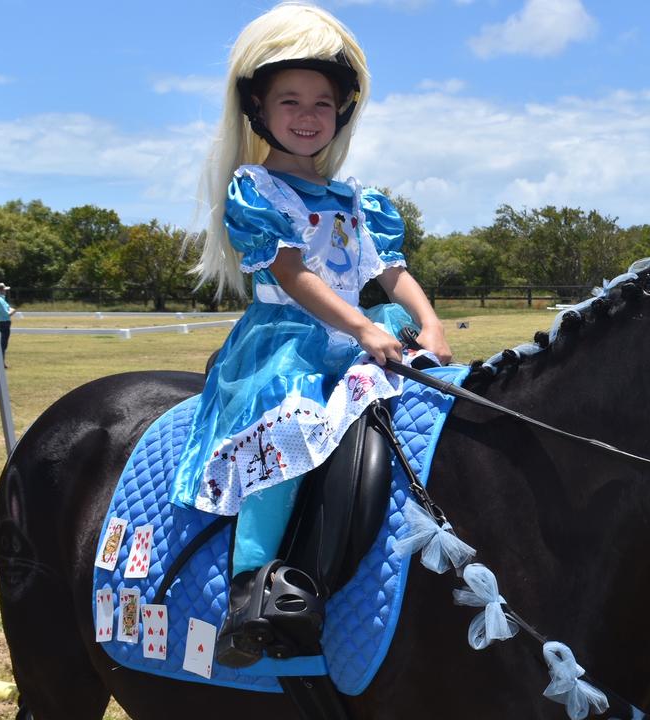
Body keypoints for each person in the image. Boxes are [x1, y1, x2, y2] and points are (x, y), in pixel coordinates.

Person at [171, 1, 452, 666]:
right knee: (289, 430)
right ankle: (253, 589)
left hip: (358, 332)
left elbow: (391, 272)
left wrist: (430, 320)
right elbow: (294, 276)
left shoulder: (360, 201)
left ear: (342, 113)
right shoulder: (255, 189)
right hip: (286, 341)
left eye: (322, 103)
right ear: (258, 109)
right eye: (290, 100)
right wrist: (361, 325)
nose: (306, 116)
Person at [0, 283, 13, 368]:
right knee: (3, 344)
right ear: (1, 290)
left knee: (3, 344)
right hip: (4, 323)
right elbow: (6, 313)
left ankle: (1, 362)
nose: (6, 291)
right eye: (4, 289)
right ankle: (0, 363)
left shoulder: (1, 299)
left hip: (4, 323)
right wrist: (14, 311)